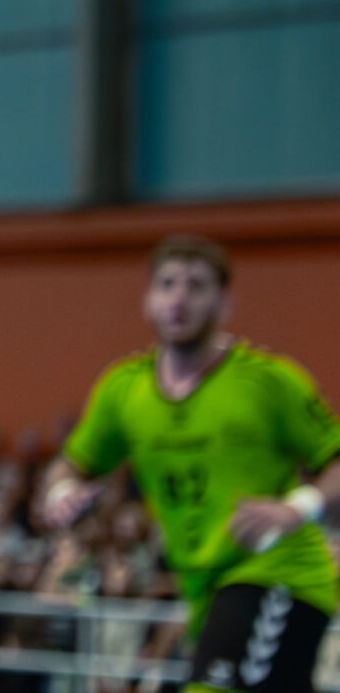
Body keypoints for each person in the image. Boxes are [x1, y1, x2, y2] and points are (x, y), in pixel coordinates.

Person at [38, 235, 340, 693]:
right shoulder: (123, 390)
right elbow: (70, 466)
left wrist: (299, 507)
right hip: (205, 590)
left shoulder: (268, 381)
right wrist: (61, 495)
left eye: (196, 286)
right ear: (148, 301)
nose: (179, 298)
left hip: (279, 575)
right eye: (167, 284)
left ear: (224, 302)